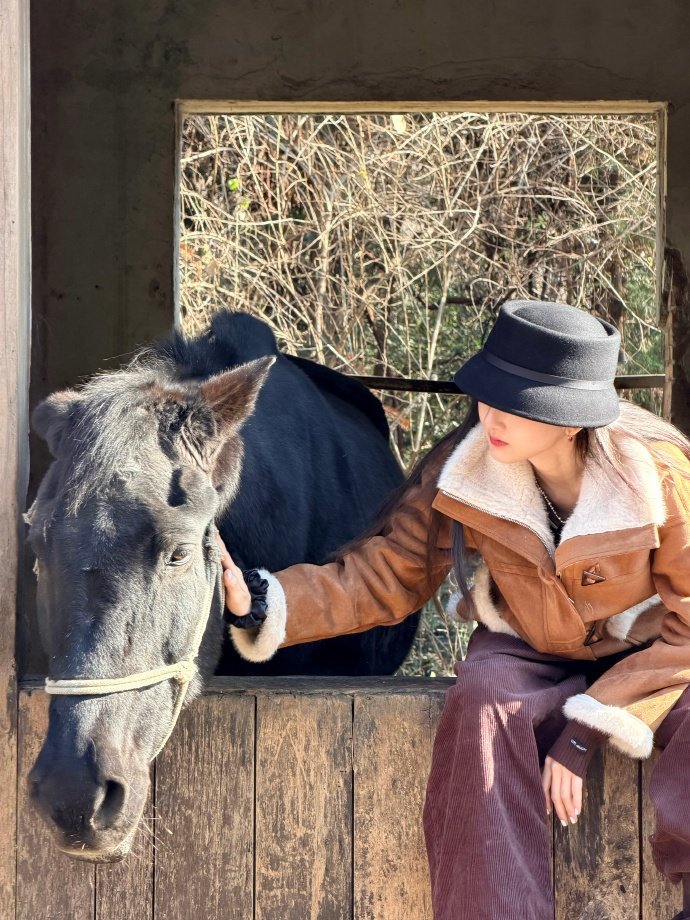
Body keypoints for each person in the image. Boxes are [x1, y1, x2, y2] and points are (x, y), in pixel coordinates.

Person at [215, 299, 690, 920]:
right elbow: (386, 575)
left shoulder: (658, 478)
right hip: (528, 642)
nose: (488, 413)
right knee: (483, 694)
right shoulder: (463, 471)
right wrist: (263, 599)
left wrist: (583, 735)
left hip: (653, 650)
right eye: (487, 394)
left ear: (571, 421)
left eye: (513, 401)